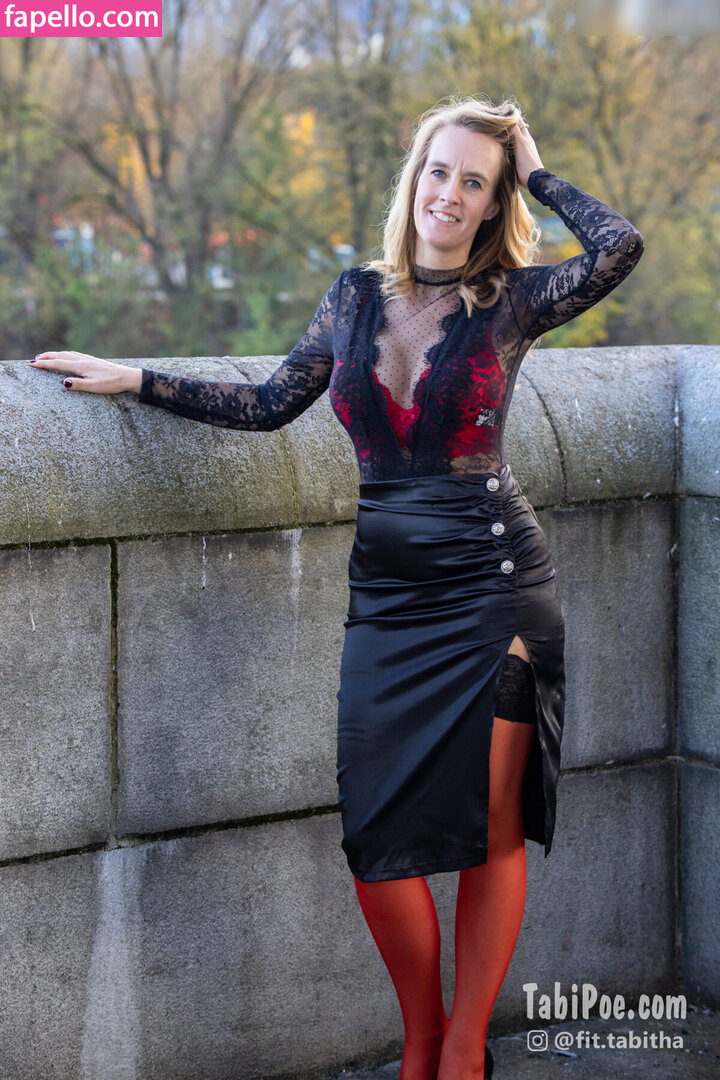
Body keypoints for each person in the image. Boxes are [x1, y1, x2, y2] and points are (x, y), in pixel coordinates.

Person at [30, 95, 644, 1080]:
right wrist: (139, 379)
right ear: (414, 178)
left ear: (494, 204)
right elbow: (271, 402)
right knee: (372, 836)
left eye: (475, 182)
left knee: (490, 835)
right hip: (389, 605)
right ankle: (421, 1034)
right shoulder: (355, 295)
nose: (450, 193)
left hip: (493, 592)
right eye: (439, 170)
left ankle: (457, 1056)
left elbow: (620, 247)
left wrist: (536, 169)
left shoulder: (513, 300)